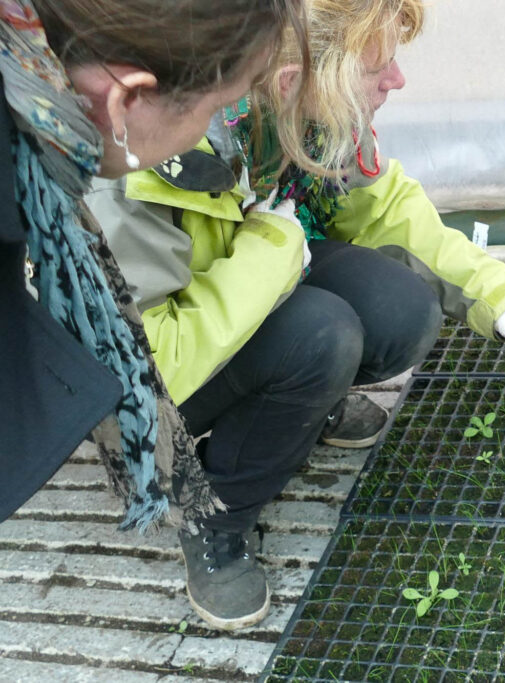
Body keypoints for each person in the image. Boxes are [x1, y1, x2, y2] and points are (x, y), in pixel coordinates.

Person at [86, 0, 505, 631]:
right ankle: (214, 518)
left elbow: (384, 207)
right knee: (321, 337)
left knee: (403, 310)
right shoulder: (133, 169)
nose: (396, 81)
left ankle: (297, 407)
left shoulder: (308, 108)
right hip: (141, 397)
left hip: (250, 283)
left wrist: (497, 293)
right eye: (377, 68)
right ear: (289, 81)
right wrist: (271, 247)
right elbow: (147, 370)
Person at [0, 0, 308, 530]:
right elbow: (161, 358)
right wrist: (274, 248)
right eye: (217, 106)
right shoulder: (98, 196)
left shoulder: (33, 161)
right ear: (130, 99)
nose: (215, 127)